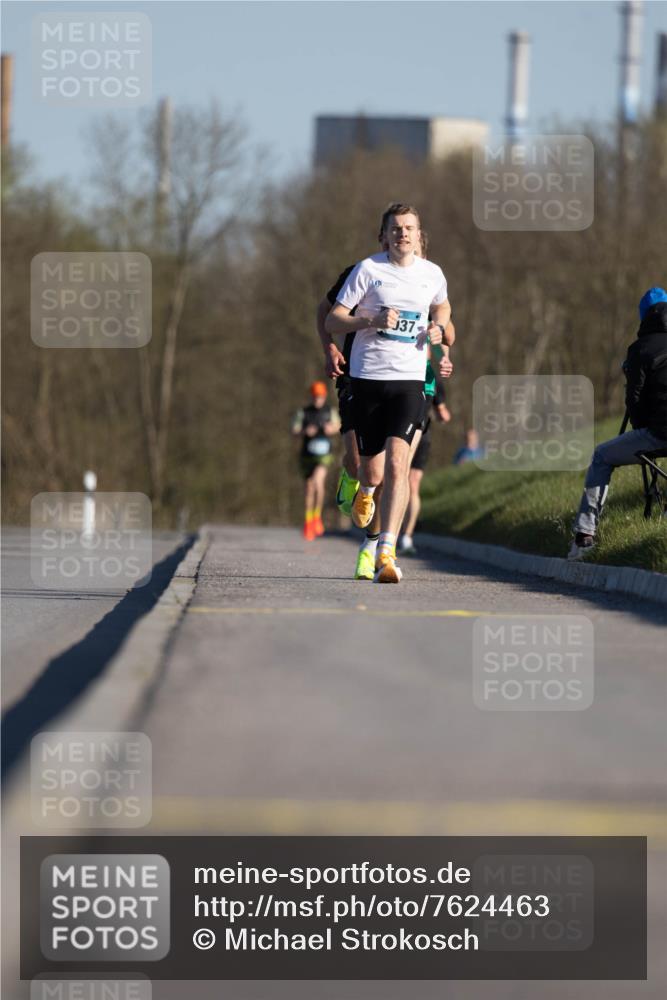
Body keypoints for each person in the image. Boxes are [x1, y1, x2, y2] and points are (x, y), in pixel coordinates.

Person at [325, 203, 453, 583]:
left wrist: (438, 328)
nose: (403, 234)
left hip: (411, 382)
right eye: (396, 228)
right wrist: (370, 320)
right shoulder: (368, 270)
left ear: (418, 233)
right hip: (367, 380)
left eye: (409, 228)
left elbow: (442, 306)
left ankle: (387, 552)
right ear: (385, 235)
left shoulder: (432, 273)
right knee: (373, 471)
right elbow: (333, 318)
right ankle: (364, 489)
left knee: (400, 464)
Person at [568, 286, 667, 560]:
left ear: (643, 316)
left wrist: (642, 425)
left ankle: (584, 536)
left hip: (659, 435)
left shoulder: (639, 349)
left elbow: (633, 401)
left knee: (601, 456)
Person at [399, 376, 451, 556]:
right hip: (399, 430)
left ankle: (407, 535)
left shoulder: (434, 380)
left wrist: (442, 413)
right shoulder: (402, 370)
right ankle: (392, 530)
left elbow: (442, 412)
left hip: (422, 433)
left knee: (413, 484)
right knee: (398, 478)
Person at [291, 381, 340, 541]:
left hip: (324, 454)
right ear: (311, 396)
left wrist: (330, 429)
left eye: (320, 396)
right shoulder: (303, 412)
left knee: (317, 482)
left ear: (324, 396)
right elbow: (294, 430)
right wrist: (305, 431)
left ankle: (317, 516)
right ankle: (308, 519)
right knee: (308, 486)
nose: (317, 399)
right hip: (307, 454)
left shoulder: (329, 411)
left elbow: (339, 426)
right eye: (315, 396)